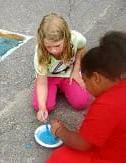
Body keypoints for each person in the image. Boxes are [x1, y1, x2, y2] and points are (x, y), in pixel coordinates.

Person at [47, 31, 126, 163]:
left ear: (96, 78)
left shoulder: (107, 105)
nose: (85, 86)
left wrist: (59, 131)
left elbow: (83, 144)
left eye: (85, 80)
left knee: (59, 158)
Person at [32, 13, 90, 121]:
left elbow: (81, 48)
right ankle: (56, 89)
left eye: (57, 45)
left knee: (82, 102)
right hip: (49, 77)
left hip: (69, 73)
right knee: (42, 106)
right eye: (48, 46)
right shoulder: (40, 53)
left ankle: (60, 89)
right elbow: (42, 82)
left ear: (66, 38)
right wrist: (42, 108)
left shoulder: (76, 38)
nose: (53, 50)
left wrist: (76, 70)